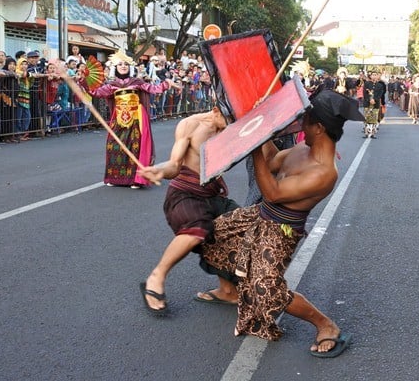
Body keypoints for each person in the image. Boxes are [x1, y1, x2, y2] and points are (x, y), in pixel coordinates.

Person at [198, 88, 362, 358]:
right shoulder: (303, 148)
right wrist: (264, 125)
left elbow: (273, 191)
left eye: (305, 121)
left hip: (279, 232)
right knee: (209, 233)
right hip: (259, 214)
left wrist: (253, 144)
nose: (300, 126)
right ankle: (230, 290)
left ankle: (326, 325)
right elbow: (273, 161)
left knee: (267, 289)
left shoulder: (324, 172)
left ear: (319, 127)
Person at [138, 105, 240, 314]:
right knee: (198, 228)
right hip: (185, 193)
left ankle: (228, 290)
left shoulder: (236, 127)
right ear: (216, 110)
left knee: (238, 229)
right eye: (230, 118)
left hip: (213, 193)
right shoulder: (190, 125)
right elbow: (175, 164)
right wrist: (158, 170)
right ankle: (156, 277)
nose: (233, 124)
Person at [80, 49, 178, 188]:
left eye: (126, 64)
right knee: (114, 146)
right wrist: (84, 81)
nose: (123, 66)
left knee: (134, 148)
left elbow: (153, 89)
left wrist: (167, 84)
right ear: (116, 67)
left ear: (130, 67)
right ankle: (116, 178)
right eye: (120, 64)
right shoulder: (112, 85)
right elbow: (96, 92)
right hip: (118, 119)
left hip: (135, 119)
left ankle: (135, 179)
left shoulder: (137, 82)